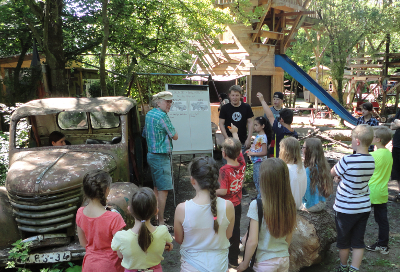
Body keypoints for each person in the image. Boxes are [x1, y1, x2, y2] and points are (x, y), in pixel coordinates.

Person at [174, 156, 235, 272]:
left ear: (192, 180)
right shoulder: (228, 206)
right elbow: (228, 235)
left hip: (191, 267)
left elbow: (179, 239)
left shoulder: (182, 209)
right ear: (216, 179)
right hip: (219, 266)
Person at [236, 158, 296, 272]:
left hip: (264, 262)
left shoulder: (257, 205)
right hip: (283, 259)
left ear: (263, 180)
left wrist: (244, 263)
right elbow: (289, 235)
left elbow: (252, 241)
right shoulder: (290, 203)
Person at [331, 124, 375, 272]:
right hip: (363, 207)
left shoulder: (347, 159)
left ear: (357, 141)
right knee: (358, 241)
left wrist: (338, 178)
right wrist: (343, 177)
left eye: (351, 139)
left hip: (345, 208)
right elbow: (356, 177)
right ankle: (354, 269)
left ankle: (343, 267)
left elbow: (333, 172)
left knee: (344, 241)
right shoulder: (372, 160)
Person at [111, 187, 173, 272]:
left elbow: (120, 255)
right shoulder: (163, 231)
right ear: (156, 211)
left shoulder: (121, 237)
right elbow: (167, 244)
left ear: (130, 210)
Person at [76, 170, 126, 272]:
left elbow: (83, 242)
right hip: (110, 266)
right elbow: (122, 249)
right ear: (107, 190)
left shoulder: (80, 213)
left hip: (89, 265)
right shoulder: (114, 217)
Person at [143, 91, 178, 226]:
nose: (169, 104)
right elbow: (174, 135)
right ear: (158, 102)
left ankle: (155, 218)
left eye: (170, 101)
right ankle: (161, 222)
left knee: (157, 188)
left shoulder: (149, 114)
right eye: (167, 101)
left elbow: (145, 133)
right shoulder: (162, 116)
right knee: (163, 190)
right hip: (161, 157)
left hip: (151, 155)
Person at [216, 125, 245, 268]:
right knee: (236, 230)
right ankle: (233, 260)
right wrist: (235, 133)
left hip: (226, 206)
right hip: (237, 204)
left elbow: (223, 190)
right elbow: (239, 149)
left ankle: (223, 259)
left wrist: (210, 191)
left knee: (223, 231)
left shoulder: (224, 169)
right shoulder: (242, 163)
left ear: (224, 154)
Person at [365, 126, 393, 255]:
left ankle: (356, 243)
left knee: (360, 219)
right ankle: (383, 245)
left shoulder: (373, 155)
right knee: (382, 220)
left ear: (378, 139)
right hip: (382, 192)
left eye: (373, 135)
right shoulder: (388, 153)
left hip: (370, 192)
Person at [257, 92, 297, 158]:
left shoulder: (279, 130)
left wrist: (262, 100)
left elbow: (270, 116)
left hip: (277, 160)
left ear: (281, 120)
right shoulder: (295, 134)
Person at [219, 85, 254, 157]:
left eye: (237, 95)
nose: (235, 98)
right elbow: (221, 124)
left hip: (243, 141)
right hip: (229, 142)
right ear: (229, 95)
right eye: (233, 95)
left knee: (242, 164)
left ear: (240, 96)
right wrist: (226, 138)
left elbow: (250, 122)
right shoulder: (225, 108)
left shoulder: (246, 107)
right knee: (228, 165)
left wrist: (249, 138)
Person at [301, 138, 333, 212]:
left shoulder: (308, 170)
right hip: (322, 202)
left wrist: (305, 205)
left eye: (303, 147)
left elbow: (307, 192)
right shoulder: (323, 166)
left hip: (311, 205)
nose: (302, 149)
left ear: (309, 150)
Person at [246, 116, 273, 199]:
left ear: (263, 126)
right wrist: (250, 151)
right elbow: (257, 148)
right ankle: (259, 196)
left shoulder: (263, 138)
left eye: (256, 125)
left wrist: (252, 153)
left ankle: (261, 197)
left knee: (259, 180)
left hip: (260, 162)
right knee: (256, 179)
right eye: (254, 125)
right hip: (256, 161)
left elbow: (264, 152)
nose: (254, 127)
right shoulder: (258, 136)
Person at [279, 137, 307, 210]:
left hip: (286, 208)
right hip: (297, 206)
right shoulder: (301, 168)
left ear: (284, 151)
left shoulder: (285, 169)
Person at [390, 109, 400, 202]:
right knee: (397, 171)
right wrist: (397, 123)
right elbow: (392, 126)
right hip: (397, 145)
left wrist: (398, 124)